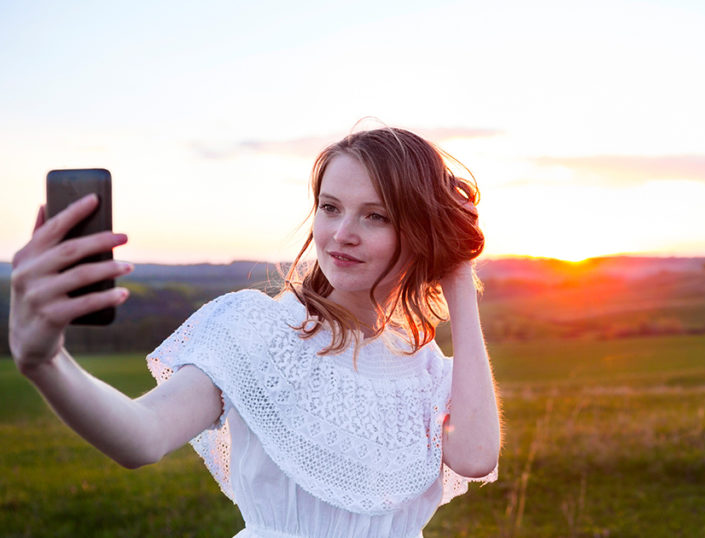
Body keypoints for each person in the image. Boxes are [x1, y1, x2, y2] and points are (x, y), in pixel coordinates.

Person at [8, 127, 502, 537]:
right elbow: (142, 436)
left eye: (376, 216)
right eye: (330, 207)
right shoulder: (254, 330)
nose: (341, 233)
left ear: (422, 232)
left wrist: (458, 274)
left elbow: (476, 457)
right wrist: (44, 361)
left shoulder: (427, 366)